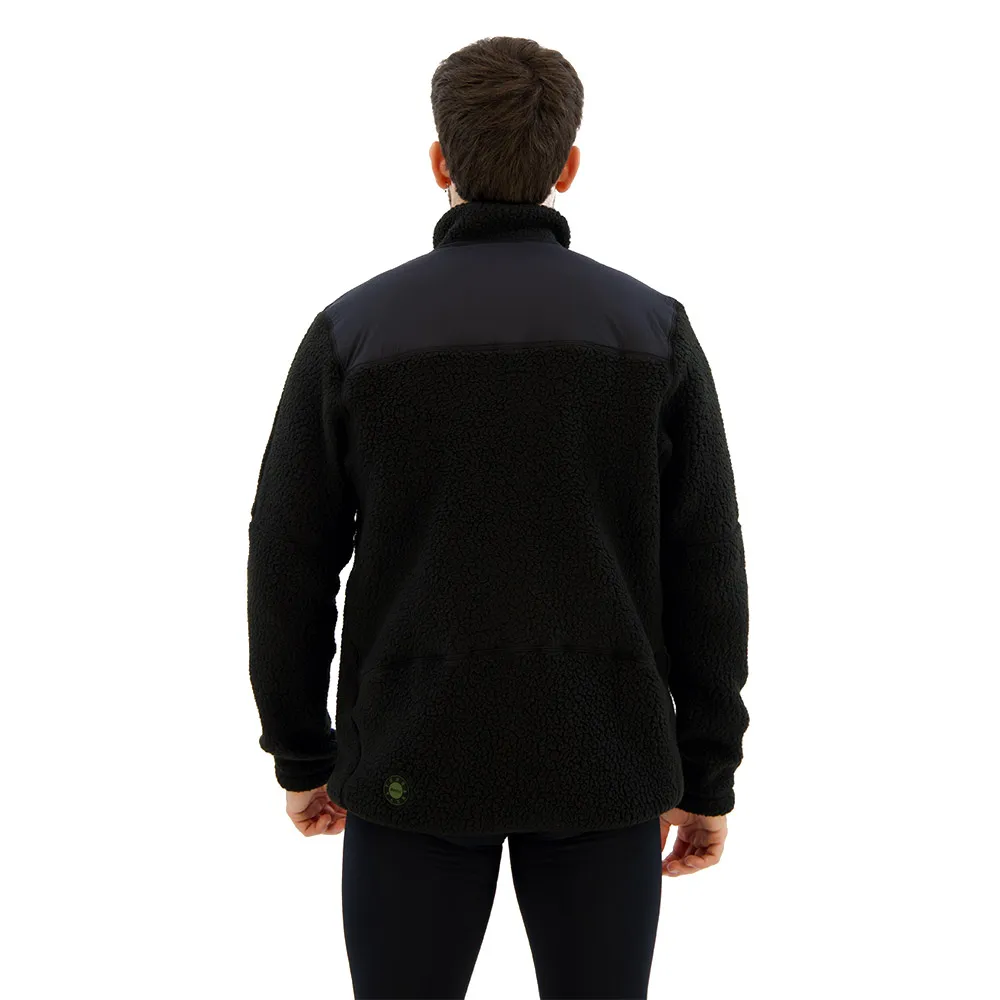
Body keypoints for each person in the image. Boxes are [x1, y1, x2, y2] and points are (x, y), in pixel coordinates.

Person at [247, 34, 750, 1000]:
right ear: (570, 166)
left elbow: (288, 556)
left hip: (413, 763)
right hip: (605, 762)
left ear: (440, 162)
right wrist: (707, 772)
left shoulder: (355, 332)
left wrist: (302, 752)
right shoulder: (653, 331)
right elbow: (707, 566)